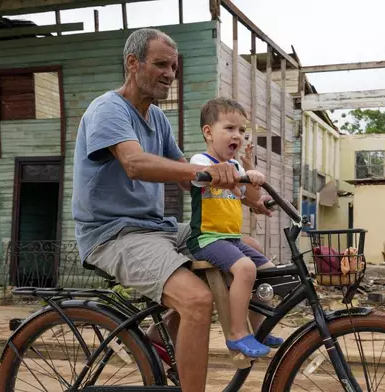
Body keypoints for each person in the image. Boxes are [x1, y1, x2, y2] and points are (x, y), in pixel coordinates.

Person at [71, 28, 272, 392]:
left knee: (248, 250)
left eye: (174, 67)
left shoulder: (158, 119)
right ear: (133, 64)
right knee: (197, 299)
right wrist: (207, 171)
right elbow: (134, 163)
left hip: (157, 227)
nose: (169, 74)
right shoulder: (108, 109)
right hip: (113, 234)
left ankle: (158, 338)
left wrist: (244, 192)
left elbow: (187, 180)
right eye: (161, 64)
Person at [186, 97, 283, 357]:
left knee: (268, 270)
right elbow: (208, 175)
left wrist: (250, 169)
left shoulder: (237, 166)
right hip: (206, 239)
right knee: (245, 268)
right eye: (229, 128)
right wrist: (235, 173)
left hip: (229, 239)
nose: (237, 135)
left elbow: (249, 197)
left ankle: (259, 327)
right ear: (208, 132)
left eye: (241, 131)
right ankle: (236, 333)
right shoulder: (201, 160)